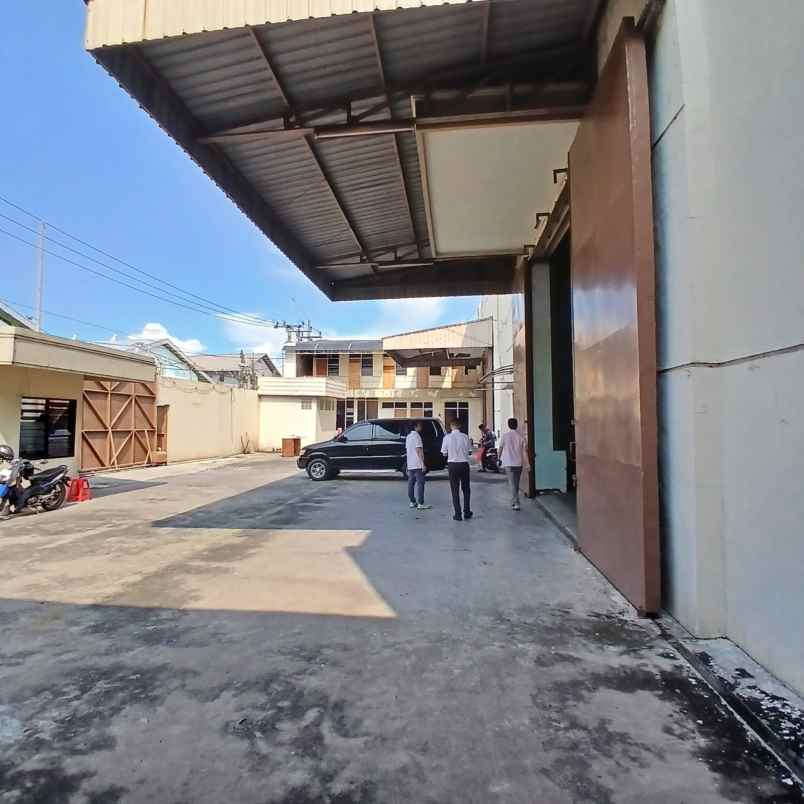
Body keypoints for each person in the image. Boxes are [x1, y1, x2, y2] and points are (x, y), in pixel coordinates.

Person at [441, 419, 473, 521]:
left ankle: (458, 514)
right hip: (464, 464)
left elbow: (444, 453)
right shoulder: (465, 437)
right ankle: (467, 512)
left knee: (455, 490)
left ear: (451, 426)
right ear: (460, 426)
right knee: (466, 489)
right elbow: (470, 452)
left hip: (452, 465)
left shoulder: (447, 438)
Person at [499, 417, 528, 510]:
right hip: (518, 463)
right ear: (517, 425)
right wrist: (528, 464)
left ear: (508, 425)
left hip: (508, 463)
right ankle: (515, 501)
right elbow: (524, 452)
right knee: (516, 483)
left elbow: (500, 448)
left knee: (512, 484)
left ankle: (516, 503)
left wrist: (498, 458)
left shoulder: (505, 436)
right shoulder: (521, 437)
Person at [405, 420, 431, 511]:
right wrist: (422, 464)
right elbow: (418, 450)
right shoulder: (416, 436)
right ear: (415, 427)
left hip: (410, 463)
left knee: (411, 483)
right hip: (417, 463)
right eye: (420, 425)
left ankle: (412, 501)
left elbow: (408, 451)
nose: (421, 427)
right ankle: (421, 503)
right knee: (420, 483)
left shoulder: (408, 436)